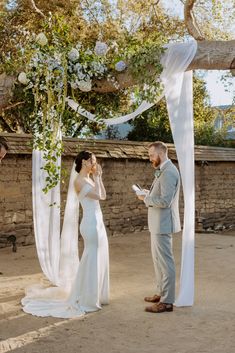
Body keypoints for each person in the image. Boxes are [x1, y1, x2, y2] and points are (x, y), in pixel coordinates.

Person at [22, 150, 109, 318]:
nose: (95, 164)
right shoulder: (79, 181)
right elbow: (98, 196)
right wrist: (98, 178)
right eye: (93, 161)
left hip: (98, 222)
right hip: (90, 224)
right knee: (91, 257)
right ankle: (87, 298)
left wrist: (98, 178)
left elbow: (103, 196)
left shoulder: (90, 178)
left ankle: (97, 294)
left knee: (100, 256)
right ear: (84, 162)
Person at [137, 141, 181, 313]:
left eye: (151, 155)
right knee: (158, 261)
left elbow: (165, 201)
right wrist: (149, 193)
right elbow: (161, 195)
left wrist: (146, 199)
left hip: (163, 224)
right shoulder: (163, 170)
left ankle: (167, 301)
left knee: (166, 262)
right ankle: (161, 293)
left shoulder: (169, 172)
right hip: (157, 224)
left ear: (161, 154)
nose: (150, 159)